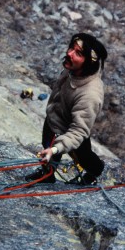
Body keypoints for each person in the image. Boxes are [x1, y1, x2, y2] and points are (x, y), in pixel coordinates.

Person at [25, 32, 107, 185]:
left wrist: (56, 149)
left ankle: (95, 172)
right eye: (71, 48)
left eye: (78, 53)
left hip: (73, 129)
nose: (69, 53)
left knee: (84, 157)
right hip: (54, 119)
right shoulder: (73, 70)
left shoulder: (90, 94)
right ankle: (47, 174)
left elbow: (78, 131)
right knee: (47, 146)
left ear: (88, 62)